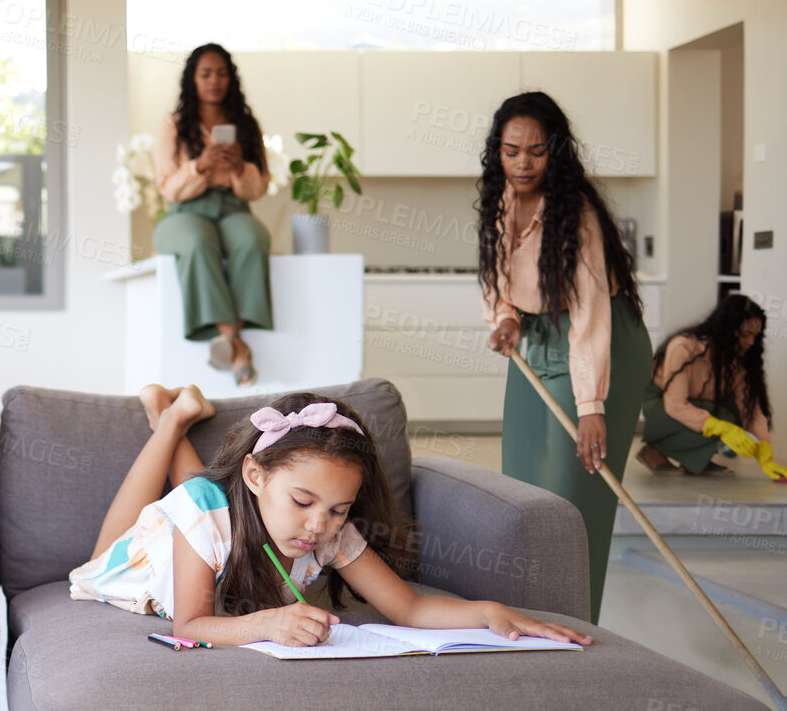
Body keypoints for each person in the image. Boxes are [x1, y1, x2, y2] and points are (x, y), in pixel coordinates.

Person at [70, 386, 592, 650]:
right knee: (124, 543)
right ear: (255, 474)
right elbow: (190, 624)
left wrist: (487, 612)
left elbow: (408, 608)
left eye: (338, 509)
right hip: (157, 556)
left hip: (220, 515)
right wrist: (270, 623)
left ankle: (174, 417)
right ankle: (168, 419)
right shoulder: (205, 515)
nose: (319, 525)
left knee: (203, 494)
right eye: (303, 503)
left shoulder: (329, 530)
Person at [478, 91, 652, 625]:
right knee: (524, 491)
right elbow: (499, 281)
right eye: (511, 152)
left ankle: (572, 624)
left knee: (574, 503)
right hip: (536, 344)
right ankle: (532, 620)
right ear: (497, 153)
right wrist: (506, 317)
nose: (523, 163)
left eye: (535, 151)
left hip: (600, 350)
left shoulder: (575, 214)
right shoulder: (501, 201)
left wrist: (591, 406)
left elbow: (590, 312)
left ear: (556, 151)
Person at [151, 43, 273, 387]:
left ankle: (230, 342)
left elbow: (258, 188)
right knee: (196, 240)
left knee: (253, 237)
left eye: (221, 73)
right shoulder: (174, 126)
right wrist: (200, 166)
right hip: (185, 211)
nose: (214, 81)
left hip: (233, 207)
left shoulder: (247, 127)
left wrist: (239, 168)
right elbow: (168, 188)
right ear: (193, 79)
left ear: (230, 79)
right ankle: (235, 343)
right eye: (205, 74)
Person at [639, 295, 787, 482]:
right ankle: (653, 451)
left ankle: (696, 459)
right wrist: (722, 428)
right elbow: (675, 405)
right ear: (727, 330)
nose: (750, 343)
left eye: (755, 336)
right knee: (724, 420)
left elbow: (749, 408)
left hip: (695, 406)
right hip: (660, 406)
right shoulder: (684, 347)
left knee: (732, 416)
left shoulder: (738, 361)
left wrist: (764, 454)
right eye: (745, 335)